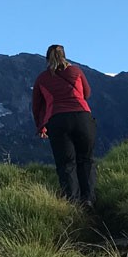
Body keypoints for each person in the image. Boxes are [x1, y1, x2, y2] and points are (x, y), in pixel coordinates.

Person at [31, 44, 96, 206]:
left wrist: (41, 126)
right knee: (86, 159)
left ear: (47, 59)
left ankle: (71, 202)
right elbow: (87, 93)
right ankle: (88, 199)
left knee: (66, 164)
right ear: (65, 56)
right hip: (83, 118)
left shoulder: (42, 78)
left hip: (58, 120)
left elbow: (36, 106)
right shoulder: (76, 71)